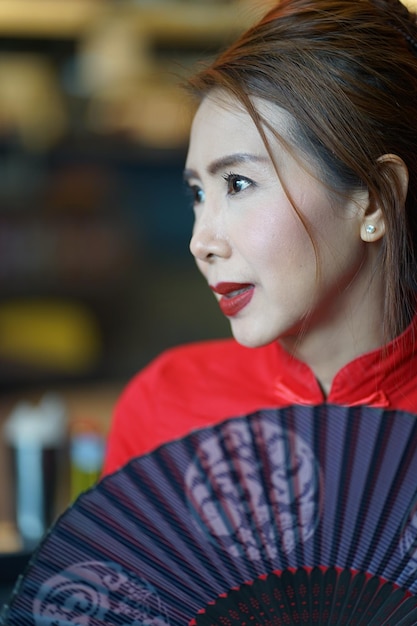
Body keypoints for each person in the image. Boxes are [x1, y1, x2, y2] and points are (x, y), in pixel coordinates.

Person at [102, 0, 417, 477]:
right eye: (196, 193)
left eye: (237, 184)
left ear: (374, 198)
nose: (200, 242)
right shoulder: (164, 409)